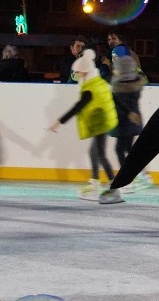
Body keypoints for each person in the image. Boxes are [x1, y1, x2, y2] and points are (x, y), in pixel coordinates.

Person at [48, 49, 121, 203]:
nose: (76, 75)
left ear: (85, 71)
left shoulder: (90, 89)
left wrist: (58, 122)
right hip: (102, 120)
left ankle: (114, 188)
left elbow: (78, 107)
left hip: (101, 122)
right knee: (94, 152)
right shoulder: (96, 82)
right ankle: (95, 182)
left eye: (78, 72)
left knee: (100, 154)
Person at [110, 55, 154, 193]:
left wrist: (129, 113)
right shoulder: (134, 82)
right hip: (131, 120)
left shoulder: (121, 85)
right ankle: (144, 175)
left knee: (119, 150)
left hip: (126, 121)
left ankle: (126, 180)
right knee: (129, 150)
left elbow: (122, 104)